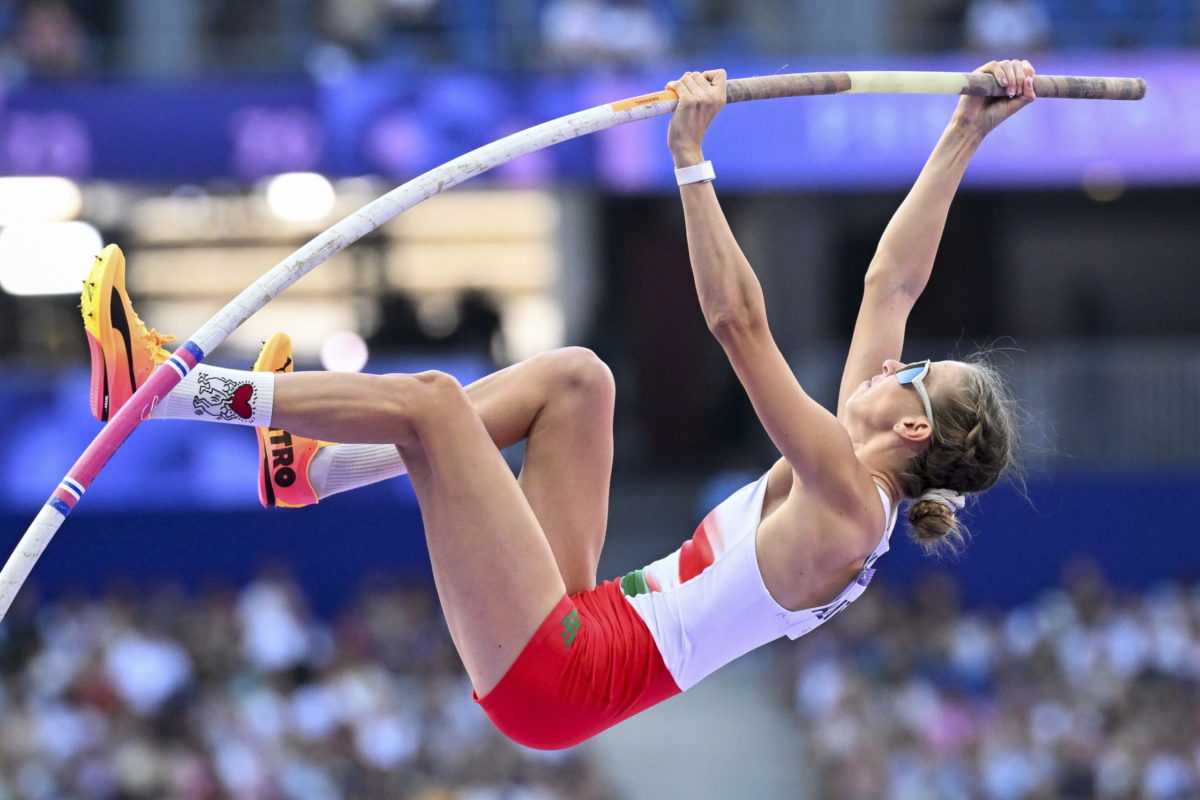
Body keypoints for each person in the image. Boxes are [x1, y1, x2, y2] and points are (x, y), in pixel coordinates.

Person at [79, 59, 1033, 750]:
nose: (896, 364)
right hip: (582, 619)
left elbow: (737, 326)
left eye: (916, 373)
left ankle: (163, 393)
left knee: (434, 408)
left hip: (561, 674)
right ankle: (309, 469)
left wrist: (691, 162)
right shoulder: (851, 468)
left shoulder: (846, 500)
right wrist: (964, 132)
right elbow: (890, 287)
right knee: (579, 380)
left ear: (913, 426)